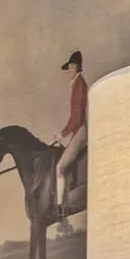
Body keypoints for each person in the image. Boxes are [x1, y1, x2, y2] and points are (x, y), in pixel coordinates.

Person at [55, 50, 90, 213]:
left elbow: (77, 117)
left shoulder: (79, 85)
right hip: (78, 131)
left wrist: (62, 133)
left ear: (75, 66)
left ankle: (60, 207)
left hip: (81, 131)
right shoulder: (76, 84)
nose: (69, 70)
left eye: (70, 67)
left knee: (60, 167)